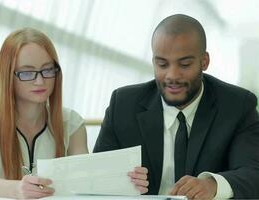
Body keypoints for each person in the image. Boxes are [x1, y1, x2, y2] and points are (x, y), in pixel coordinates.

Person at [93, 14, 259, 199]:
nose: (172, 75)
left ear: (204, 61)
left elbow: (253, 173)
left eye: (185, 64)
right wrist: (116, 181)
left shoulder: (237, 105)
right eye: (162, 64)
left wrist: (212, 184)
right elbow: (96, 176)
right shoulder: (123, 105)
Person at [0, 28, 90, 199]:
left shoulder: (72, 123)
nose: (40, 81)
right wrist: (17, 189)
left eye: (47, 70)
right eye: (27, 73)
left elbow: (86, 181)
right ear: (8, 75)